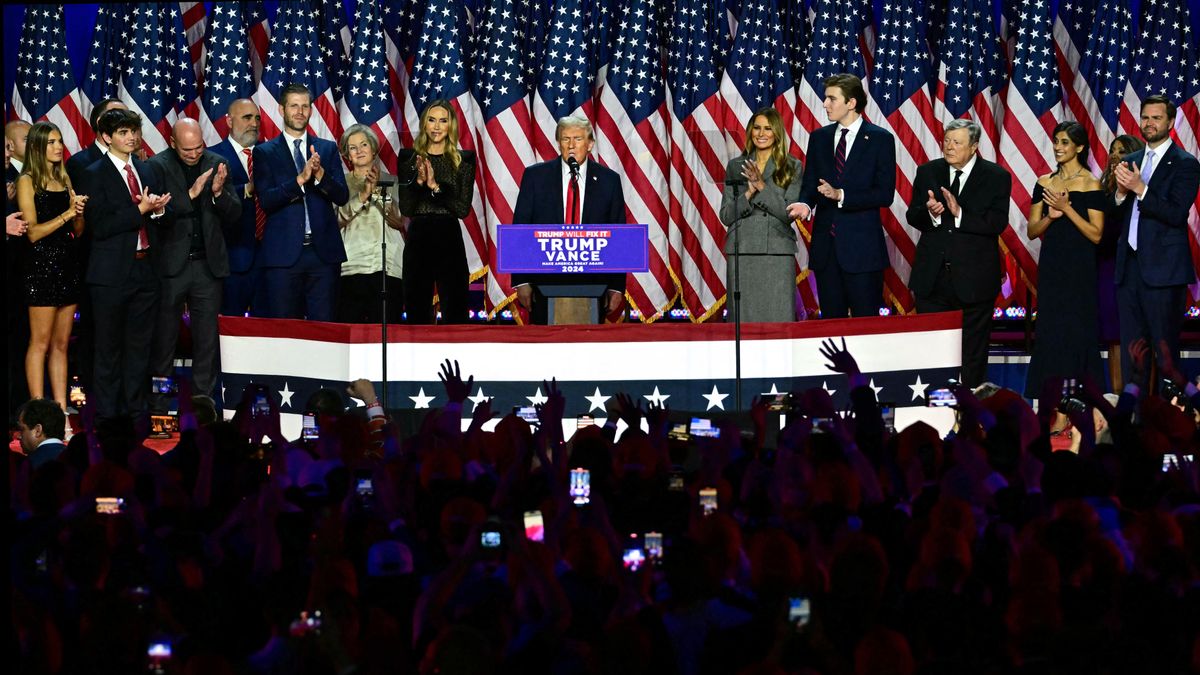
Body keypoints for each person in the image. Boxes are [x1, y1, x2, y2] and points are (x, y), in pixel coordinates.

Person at [78, 107, 173, 422]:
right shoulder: (93, 173)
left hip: (145, 270)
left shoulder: (146, 170)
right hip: (109, 275)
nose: (131, 137)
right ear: (107, 137)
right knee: (107, 349)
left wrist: (157, 211)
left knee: (139, 348)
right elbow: (100, 225)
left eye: (133, 131)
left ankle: (136, 412)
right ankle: (107, 416)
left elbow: (157, 220)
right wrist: (141, 210)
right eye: (123, 132)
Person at [906, 119, 1011, 388]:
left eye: (957, 142)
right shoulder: (928, 171)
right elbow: (912, 215)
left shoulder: (996, 177)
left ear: (974, 146)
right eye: (947, 141)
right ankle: (936, 412)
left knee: (972, 353)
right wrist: (932, 214)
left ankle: (970, 414)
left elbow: (996, 223)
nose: (949, 147)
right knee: (931, 349)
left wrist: (959, 213)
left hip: (974, 280)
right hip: (933, 278)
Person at [146, 118, 241, 408]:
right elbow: (155, 218)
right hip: (170, 267)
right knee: (164, 342)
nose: (194, 153)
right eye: (187, 149)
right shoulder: (156, 166)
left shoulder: (218, 162)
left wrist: (217, 193)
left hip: (206, 266)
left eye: (198, 147)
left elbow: (235, 214)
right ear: (173, 143)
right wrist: (190, 195)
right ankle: (160, 407)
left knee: (206, 342)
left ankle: (202, 406)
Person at [786, 73, 895, 318]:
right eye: (826, 98)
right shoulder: (819, 138)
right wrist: (805, 203)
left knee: (864, 326)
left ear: (851, 103)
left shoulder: (880, 139)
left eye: (831, 99)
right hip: (827, 251)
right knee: (831, 324)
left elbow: (884, 193)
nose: (825, 104)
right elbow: (811, 183)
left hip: (863, 252)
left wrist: (841, 194)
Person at [1110, 94, 1200, 389]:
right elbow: (1116, 216)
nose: (1148, 123)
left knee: (1165, 357)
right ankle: (1134, 426)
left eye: (1156, 118)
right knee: (1133, 357)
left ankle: (1166, 426)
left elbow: (1175, 213)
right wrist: (1121, 194)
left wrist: (1140, 189)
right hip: (1130, 270)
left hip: (1164, 272)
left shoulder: (1185, 163)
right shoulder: (1131, 160)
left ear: (1171, 122)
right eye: (1145, 117)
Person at [511, 115, 626, 325]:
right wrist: (522, 280)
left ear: (590, 144)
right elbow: (521, 229)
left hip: (593, 282)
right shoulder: (535, 177)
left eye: (578, 139)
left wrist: (615, 286)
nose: (571, 145)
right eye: (565, 139)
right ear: (559, 143)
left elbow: (617, 235)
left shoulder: (609, 181)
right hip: (544, 282)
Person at [1022, 121, 1105, 398]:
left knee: (1077, 332)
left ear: (1079, 147)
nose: (1058, 147)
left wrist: (1067, 209)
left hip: (1079, 268)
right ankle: (1052, 402)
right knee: (1051, 331)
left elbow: (1095, 234)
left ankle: (1080, 400)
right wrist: (1051, 216)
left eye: (1065, 142)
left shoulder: (1091, 183)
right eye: (1056, 141)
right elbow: (1033, 231)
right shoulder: (1044, 182)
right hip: (1053, 266)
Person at [254, 83, 349, 321]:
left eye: (305, 106)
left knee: (325, 328)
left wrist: (319, 176)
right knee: (285, 331)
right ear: (281, 109)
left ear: (311, 110)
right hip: (283, 257)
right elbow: (266, 200)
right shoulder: (264, 152)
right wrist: (299, 180)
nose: (299, 111)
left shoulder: (326, 149)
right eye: (294, 106)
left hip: (323, 255)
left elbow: (342, 196)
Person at [15, 122, 88, 411]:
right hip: (40, 268)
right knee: (40, 343)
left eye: (60, 141)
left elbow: (78, 231)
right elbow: (31, 232)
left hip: (68, 265)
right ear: (37, 147)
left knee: (61, 344)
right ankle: (37, 411)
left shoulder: (65, 179)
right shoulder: (27, 180)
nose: (59, 147)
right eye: (52, 143)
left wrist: (78, 214)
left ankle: (60, 411)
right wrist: (67, 213)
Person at [719, 107, 803, 322]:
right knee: (744, 323)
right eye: (756, 128)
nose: (761, 133)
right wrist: (749, 192)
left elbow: (788, 214)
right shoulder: (736, 165)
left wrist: (761, 185)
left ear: (777, 133)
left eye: (767, 128)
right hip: (742, 250)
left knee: (778, 320)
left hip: (776, 252)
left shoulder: (792, 166)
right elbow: (727, 215)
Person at [396, 99, 475, 324]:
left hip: (449, 236)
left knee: (456, 308)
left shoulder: (464, 160)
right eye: (432, 120)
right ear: (424, 125)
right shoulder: (409, 158)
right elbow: (407, 208)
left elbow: (461, 209)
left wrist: (434, 186)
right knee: (416, 308)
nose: (437, 127)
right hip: (419, 237)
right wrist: (419, 182)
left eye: (443, 121)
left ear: (451, 125)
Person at [337, 124, 405, 324]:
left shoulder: (393, 182)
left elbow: (398, 220)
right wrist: (362, 196)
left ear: (374, 149)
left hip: (388, 267)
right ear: (347, 155)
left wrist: (376, 192)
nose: (359, 151)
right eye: (352, 147)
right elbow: (336, 220)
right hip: (351, 267)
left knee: (386, 333)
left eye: (364, 144)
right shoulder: (339, 183)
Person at [209, 98, 267, 317]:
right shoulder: (213, 157)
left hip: (270, 259)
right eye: (247, 117)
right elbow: (210, 198)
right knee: (230, 330)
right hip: (232, 260)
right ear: (229, 121)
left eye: (257, 118)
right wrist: (247, 189)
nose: (254, 123)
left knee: (268, 331)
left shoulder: (271, 153)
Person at [1097, 134, 1144, 389]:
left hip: (1137, 270)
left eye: (1122, 151)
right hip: (1108, 271)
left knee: (1141, 340)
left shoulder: (1142, 191)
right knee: (1114, 338)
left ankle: (1145, 404)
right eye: (1113, 150)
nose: (1115, 155)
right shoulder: (1103, 193)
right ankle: (1118, 400)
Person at [66, 97, 128, 187]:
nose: (127, 121)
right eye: (118, 115)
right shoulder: (79, 163)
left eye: (128, 116)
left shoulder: (137, 161)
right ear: (100, 122)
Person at [15, 397, 68, 470]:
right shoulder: (78, 458)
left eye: (22, 429)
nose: (19, 436)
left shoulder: (28, 465)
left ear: (37, 430)